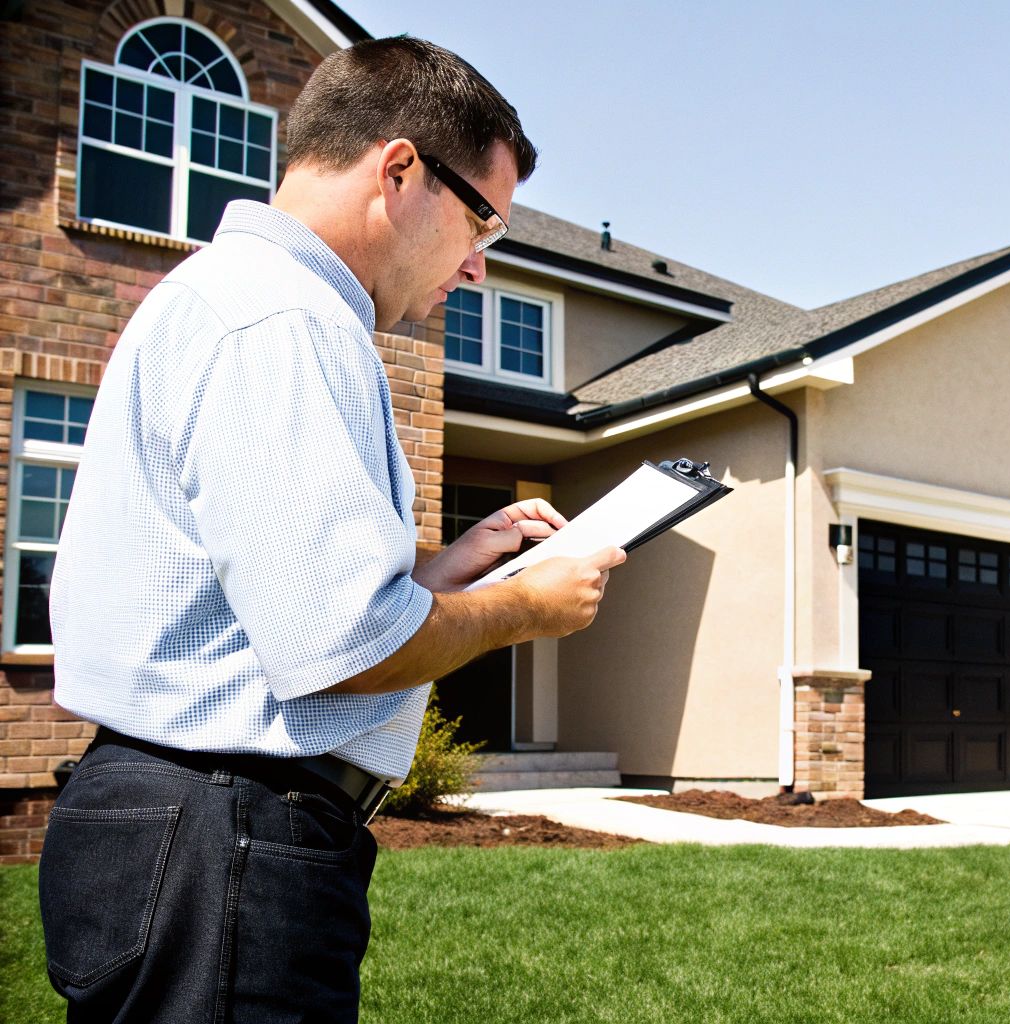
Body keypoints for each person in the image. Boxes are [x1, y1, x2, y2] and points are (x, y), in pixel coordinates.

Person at [38, 35, 622, 1022]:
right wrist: (524, 606)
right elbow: (343, 643)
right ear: (399, 170)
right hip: (225, 838)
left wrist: (440, 568)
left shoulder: (239, 300)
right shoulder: (287, 322)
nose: (479, 269)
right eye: (483, 222)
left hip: (189, 829)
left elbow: (261, 597)